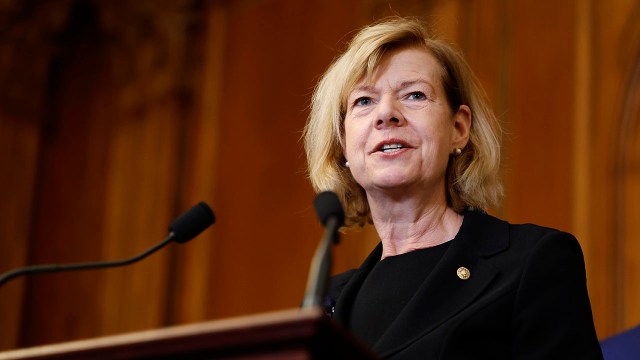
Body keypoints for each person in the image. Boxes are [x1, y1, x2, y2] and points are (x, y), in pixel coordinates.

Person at [303, 17, 603, 359]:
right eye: (364, 101)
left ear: (458, 129)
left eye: (414, 94)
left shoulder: (533, 262)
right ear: (343, 143)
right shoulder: (325, 302)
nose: (386, 114)